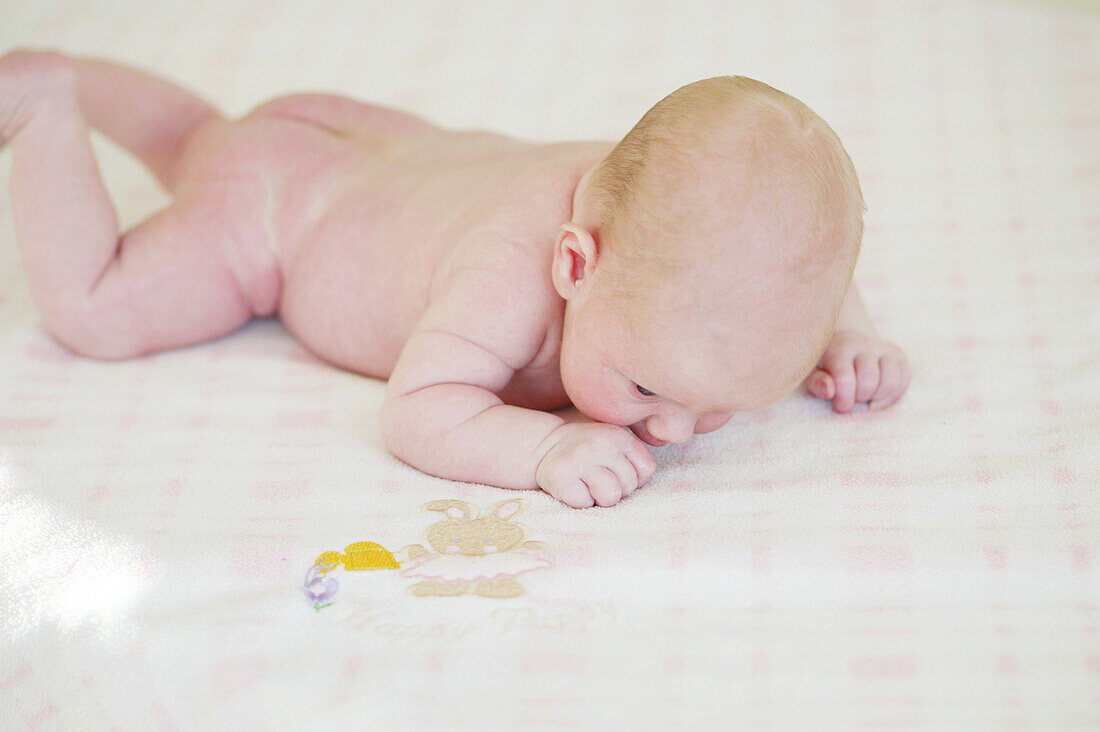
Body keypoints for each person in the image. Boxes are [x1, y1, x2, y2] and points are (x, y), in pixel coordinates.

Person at [0, 50, 910, 508]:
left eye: (721, 406)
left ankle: (79, 75)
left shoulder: (658, 210)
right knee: (99, 309)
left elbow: (788, 265)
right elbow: (418, 408)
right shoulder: (506, 280)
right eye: (646, 388)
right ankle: (43, 106)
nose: (674, 430)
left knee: (201, 139)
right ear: (573, 264)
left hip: (353, 138)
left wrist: (845, 332)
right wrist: (542, 450)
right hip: (275, 212)